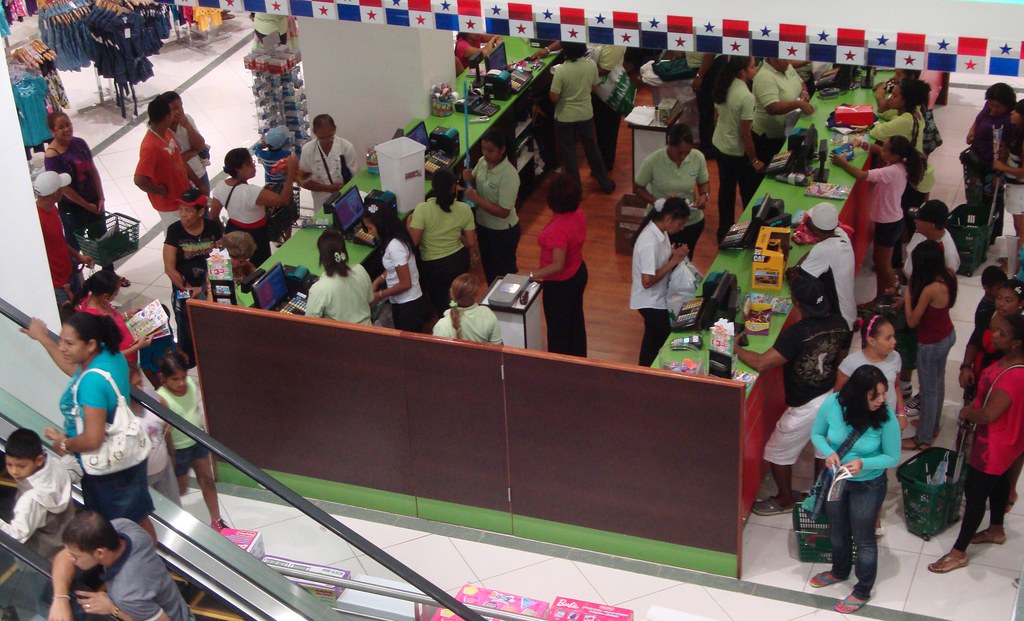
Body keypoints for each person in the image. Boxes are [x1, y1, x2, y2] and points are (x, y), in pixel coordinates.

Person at [21, 313, 156, 540]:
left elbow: (93, 439)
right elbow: (72, 367)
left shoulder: (91, 384)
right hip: (128, 457)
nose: (63, 347)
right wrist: (44, 338)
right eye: (61, 340)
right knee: (139, 517)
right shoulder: (111, 357)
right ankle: (150, 559)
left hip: (108, 470)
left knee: (116, 529)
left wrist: (65, 442)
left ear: (91, 344)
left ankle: (132, 565)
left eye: (69, 343)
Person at [738, 275, 850, 516]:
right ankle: (821, 496)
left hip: (806, 404)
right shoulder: (841, 323)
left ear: (795, 301)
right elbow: (841, 356)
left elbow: (761, 363)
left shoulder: (797, 333)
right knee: (823, 450)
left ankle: (784, 499)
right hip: (832, 395)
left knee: (777, 451)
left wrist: (735, 348)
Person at [928, 313, 1024, 574]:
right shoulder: (1011, 362)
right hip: (1010, 443)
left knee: (975, 496)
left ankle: (958, 552)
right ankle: (996, 529)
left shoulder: (1013, 378)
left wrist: (968, 412)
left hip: (993, 447)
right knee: (1001, 484)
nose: (994, 335)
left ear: (1016, 342)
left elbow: (990, 414)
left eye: (1001, 333)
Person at [808, 365, 901, 615]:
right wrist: (830, 453)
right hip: (838, 480)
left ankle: (862, 589)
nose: (881, 400)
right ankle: (839, 570)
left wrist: (864, 464)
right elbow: (816, 434)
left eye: (884, 393)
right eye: (875, 396)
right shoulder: (833, 405)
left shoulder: (886, 417)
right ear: (859, 394)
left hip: (868, 485)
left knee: (864, 538)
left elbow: (892, 457)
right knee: (837, 530)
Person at [49, 511, 191, 621]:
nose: (71, 559)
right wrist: (60, 599)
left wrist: (113, 609)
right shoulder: (125, 528)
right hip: (175, 603)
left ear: (100, 553)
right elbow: (63, 557)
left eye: (76, 557)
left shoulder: (126, 593)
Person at [832, 135, 923, 305]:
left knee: (883, 266)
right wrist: (864, 144)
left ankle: (899, 297)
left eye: (885, 149)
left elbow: (861, 175)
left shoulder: (890, 172)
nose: (881, 150)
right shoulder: (899, 165)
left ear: (894, 155)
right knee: (879, 262)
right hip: (890, 221)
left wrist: (842, 162)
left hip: (889, 224)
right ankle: (880, 298)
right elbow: (877, 149)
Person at [156, 351, 228, 531]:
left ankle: (217, 520)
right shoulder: (162, 398)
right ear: (163, 378)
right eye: (175, 379)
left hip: (197, 441)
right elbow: (165, 431)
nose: (181, 383)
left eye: (183, 377)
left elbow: (195, 409)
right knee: (180, 489)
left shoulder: (190, 384)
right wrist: (171, 456)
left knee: (207, 480)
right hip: (179, 451)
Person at [900, 240, 958, 451]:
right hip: (947, 334)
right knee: (938, 383)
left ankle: (923, 439)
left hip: (930, 343)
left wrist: (908, 297)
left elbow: (912, 321)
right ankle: (932, 426)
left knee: (928, 389)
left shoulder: (930, 289)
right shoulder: (949, 275)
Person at [522, 174, 588, 357]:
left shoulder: (557, 229)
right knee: (575, 323)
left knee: (558, 330)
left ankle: (559, 365)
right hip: (578, 271)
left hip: (561, 284)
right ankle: (578, 359)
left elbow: (558, 265)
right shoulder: (578, 214)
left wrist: (531, 275)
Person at [43, 111, 117, 275]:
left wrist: (101, 197)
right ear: (53, 131)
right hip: (72, 209)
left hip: (93, 201)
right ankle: (77, 281)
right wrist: (86, 206)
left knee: (101, 240)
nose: (67, 129)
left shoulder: (80, 143)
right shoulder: (52, 156)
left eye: (68, 124)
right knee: (75, 244)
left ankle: (110, 276)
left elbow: (92, 170)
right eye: (61, 127)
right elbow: (64, 188)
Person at [163, 189, 224, 368]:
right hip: (184, 289)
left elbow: (221, 256)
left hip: (210, 285)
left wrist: (205, 288)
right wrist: (188, 289)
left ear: (201, 212)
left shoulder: (212, 227)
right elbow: (169, 268)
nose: (183, 214)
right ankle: (190, 357)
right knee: (185, 323)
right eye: (181, 209)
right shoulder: (175, 231)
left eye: (188, 210)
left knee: (212, 323)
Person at [209, 148, 298, 266]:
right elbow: (284, 200)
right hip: (256, 235)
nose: (253, 166)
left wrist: (226, 234)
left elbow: (213, 216)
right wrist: (291, 172)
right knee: (260, 267)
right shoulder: (251, 192)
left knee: (238, 267)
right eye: (249, 164)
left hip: (233, 230)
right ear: (238, 169)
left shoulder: (221, 186)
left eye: (252, 162)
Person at [633, 123, 711, 257]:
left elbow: (704, 183)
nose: (683, 157)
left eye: (687, 153)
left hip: (690, 222)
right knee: (661, 262)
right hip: (663, 223)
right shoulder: (653, 161)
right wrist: (656, 201)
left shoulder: (697, 157)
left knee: (684, 262)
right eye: (679, 153)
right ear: (670, 145)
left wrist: (704, 196)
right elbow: (638, 187)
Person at [1, 428, 80, 559]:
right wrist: (63, 447)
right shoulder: (56, 466)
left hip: (40, 559)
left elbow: (16, 536)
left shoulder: (31, 500)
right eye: (9, 464)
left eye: (21, 466)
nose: (14, 471)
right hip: (67, 547)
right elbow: (75, 471)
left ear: (39, 460)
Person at [408, 168, 479, 316]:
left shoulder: (422, 210)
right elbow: (471, 243)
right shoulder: (464, 209)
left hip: (434, 267)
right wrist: (460, 238)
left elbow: (412, 242)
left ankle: (450, 321)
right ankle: (459, 314)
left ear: (433, 187)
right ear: (454, 187)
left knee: (442, 305)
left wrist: (409, 223)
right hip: (457, 262)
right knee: (457, 296)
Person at [630, 198, 690, 367]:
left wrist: (673, 255)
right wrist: (674, 260)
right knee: (665, 336)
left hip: (658, 296)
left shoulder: (661, 231)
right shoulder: (649, 241)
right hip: (650, 301)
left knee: (652, 338)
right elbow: (647, 281)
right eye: (680, 223)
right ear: (668, 218)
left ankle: (645, 370)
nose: (682, 228)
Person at [550, 41, 615, 194]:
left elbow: (554, 97)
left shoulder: (561, 71)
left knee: (569, 153)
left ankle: (575, 191)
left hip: (565, 116)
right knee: (592, 148)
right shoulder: (591, 65)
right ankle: (605, 183)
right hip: (585, 113)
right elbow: (594, 87)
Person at [134, 96, 204, 232]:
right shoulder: (150, 146)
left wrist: (197, 183)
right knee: (177, 238)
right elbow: (139, 180)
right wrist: (160, 191)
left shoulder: (166, 133)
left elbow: (179, 161)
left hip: (184, 196)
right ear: (166, 117)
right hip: (170, 205)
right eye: (172, 112)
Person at [712, 55, 761, 242]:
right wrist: (754, 160)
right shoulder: (746, 97)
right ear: (743, 71)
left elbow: (716, 116)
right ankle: (750, 233)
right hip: (736, 151)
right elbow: (745, 134)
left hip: (720, 144)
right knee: (747, 192)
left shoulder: (723, 85)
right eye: (752, 66)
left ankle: (724, 232)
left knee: (726, 190)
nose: (755, 69)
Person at [463, 128, 521, 284]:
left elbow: (504, 211)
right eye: (483, 149)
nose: (485, 153)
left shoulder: (509, 175)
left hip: (503, 232)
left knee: (504, 274)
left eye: (490, 150)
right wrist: (470, 179)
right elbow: (477, 184)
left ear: (502, 150)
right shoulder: (482, 162)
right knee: (490, 271)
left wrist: (477, 200)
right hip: (484, 228)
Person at [790, 203, 856, 330]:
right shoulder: (841, 234)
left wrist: (796, 267)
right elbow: (813, 254)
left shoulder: (823, 250)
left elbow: (798, 276)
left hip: (839, 320)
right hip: (848, 313)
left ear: (814, 228)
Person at [33, 171, 95, 307]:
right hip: (57, 284)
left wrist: (78, 256)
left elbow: (59, 241)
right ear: (55, 193)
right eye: (61, 188)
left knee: (82, 306)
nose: (63, 191)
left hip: (68, 272)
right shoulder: (36, 221)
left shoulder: (52, 209)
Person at [363, 203, 427, 332]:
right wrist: (378, 280)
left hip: (408, 305)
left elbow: (405, 284)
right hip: (402, 302)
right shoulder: (395, 239)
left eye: (370, 228)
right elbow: (395, 267)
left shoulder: (395, 247)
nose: (369, 232)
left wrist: (379, 295)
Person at [836, 316, 907, 423]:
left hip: (887, 418)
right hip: (861, 422)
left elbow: (896, 386)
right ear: (871, 341)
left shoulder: (895, 357)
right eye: (888, 338)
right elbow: (837, 396)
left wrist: (901, 413)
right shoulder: (850, 363)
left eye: (894, 336)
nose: (894, 341)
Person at [961, 276, 1021, 402]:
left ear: (1021, 303)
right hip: (978, 373)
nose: (1001, 303)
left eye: (1008, 300)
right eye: (999, 298)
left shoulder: (1020, 330)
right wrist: (966, 366)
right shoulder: (987, 313)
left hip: (1001, 383)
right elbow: (975, 340)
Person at [127, 362, 180, 506]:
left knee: (174, 510)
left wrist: (172, 454)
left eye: (140, 383)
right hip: (140, 480)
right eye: (134, 386)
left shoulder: (151, 397)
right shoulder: (119, 413)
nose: (139, 389)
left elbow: (166, 425)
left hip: (164, 470)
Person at [77, 269, 154, 365]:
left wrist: (128, 314)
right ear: (105, 296)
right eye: (116, 294)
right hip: (121, 363)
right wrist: (138, 346)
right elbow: (107, 355)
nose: (116, 297)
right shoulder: (94, 320)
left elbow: (112, 320)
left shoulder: (97, 299)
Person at [751, 58, 813, 168]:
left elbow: (801, 82)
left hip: (788, 129)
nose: (789, 61)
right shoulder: (764, 77)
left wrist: (804, 92)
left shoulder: (786, 66)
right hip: (770, 139)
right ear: (774, 60)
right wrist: (797, 104)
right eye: (785, 59)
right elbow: (772, 107)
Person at [306, 228, 374, 324]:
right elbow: (370, 301)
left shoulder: (318, 289)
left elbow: (309, 324)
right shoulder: (360, 269)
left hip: (342, 338)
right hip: (370, 332)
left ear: (322, 257)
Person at [298, 114, 359, 212]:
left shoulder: (347, 148)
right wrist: (327, 188)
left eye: (330, 136)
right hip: (321, 203)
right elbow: (302, 181)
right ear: (314, 132)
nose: (326, 141)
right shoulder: (308, 150)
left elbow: (355, 179)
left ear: (335, 130)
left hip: (345, 199)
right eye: (322, 138)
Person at [432, 273, 503, 344]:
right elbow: (498, 347)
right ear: (476, 295)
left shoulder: (441, 326)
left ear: (452, 293)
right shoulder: (487, 313)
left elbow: (437, 352)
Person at [993, 99, 1024, 258]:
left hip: (1020, 190)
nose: (1012, 113)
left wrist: (1002, 167)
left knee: (1021, 228)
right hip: (1014, 188)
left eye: (1016, 111)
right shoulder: (1017, 131)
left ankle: (1016, 264)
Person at [163, 90, 211, 192]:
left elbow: (200, 145)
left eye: (181, 107)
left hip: (199, 172)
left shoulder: (187, 119)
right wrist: (193, 151)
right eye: (175, 109)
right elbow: (174, 161)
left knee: (204, 204)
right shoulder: (162, 130)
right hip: (178, 178)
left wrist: (187, 126)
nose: (180, 111)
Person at [903, 199, 960, 277]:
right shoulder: (920, 232)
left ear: (931, 225)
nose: (915, 220)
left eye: (919, 219)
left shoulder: (948, 254)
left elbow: (946, 283)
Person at [967, 82, 1015, 168]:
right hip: (976, 152)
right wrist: (972, 130)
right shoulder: (988, 106)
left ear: (1008, 104)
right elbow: (980, 118)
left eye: (998, 106)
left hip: (990, 162)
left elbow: (1006, 146)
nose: (993, 109)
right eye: (991, 105)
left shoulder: (1010, 120)